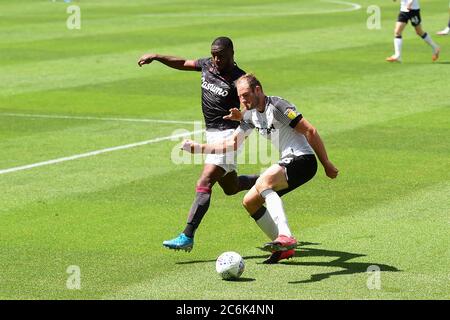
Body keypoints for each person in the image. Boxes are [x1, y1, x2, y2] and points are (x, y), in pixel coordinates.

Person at [181, 74, 339, 263]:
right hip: (288, 161)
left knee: (264, 181)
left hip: (303, 160)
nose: (242, 100)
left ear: (258, 90)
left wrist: (326, 163)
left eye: (246, 95)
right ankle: (283, 248)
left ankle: (286, 235)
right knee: (250, 201)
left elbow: (309, 130)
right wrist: (198, 148)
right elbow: (231, 144)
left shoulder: (278, 106)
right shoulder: (250, 115)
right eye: (240, 96)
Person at [138, 37, 258, 252]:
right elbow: (183, 63)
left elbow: (249, 109)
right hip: (212, 133)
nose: (216, 58)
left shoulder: (239, 79)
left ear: (232, 53)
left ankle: (187, 235)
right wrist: (157, 57)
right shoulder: (207, 65)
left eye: (220, 55)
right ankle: (268, 180)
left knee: (205, 181)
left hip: (228, 135)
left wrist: (241, 114)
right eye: (213, 54)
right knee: (231, 188)